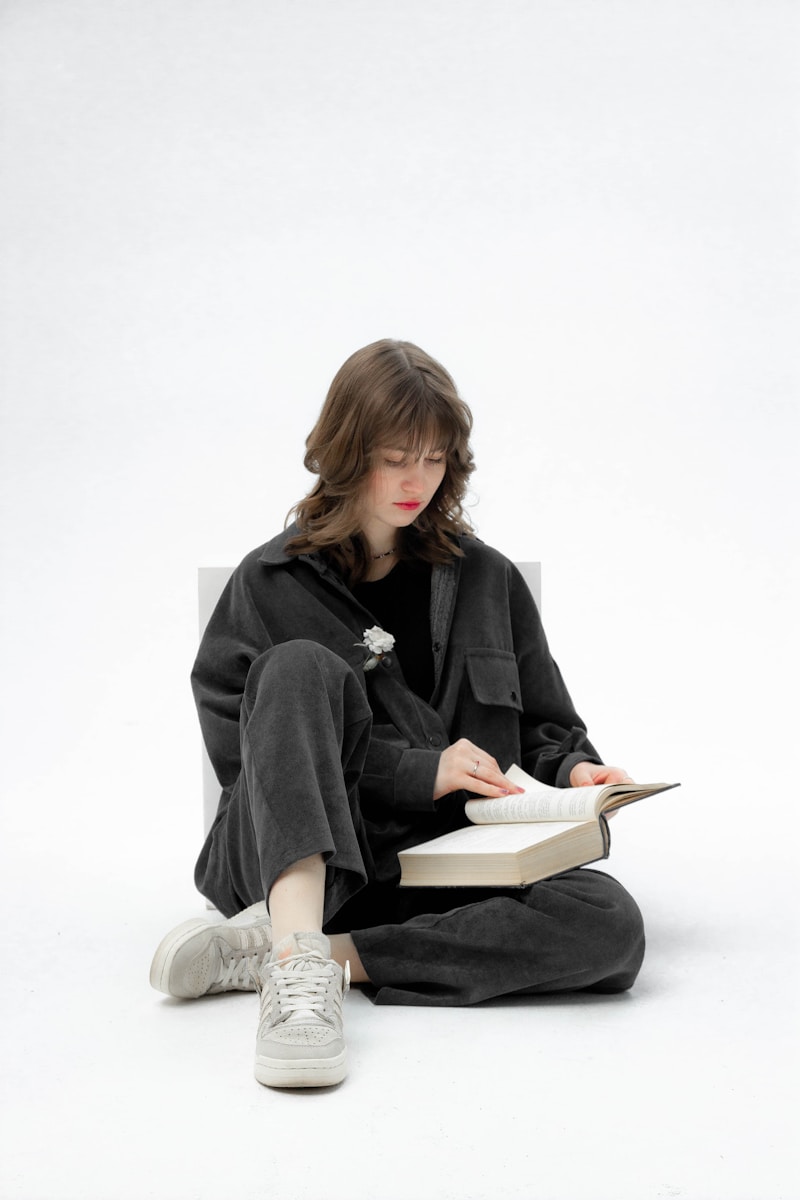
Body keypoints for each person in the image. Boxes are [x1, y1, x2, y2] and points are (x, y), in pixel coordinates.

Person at [149, 338, 645, 1089]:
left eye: (436, 459)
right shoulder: (266, 584)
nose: (419, 481)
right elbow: (250, 766)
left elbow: (545, 724)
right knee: (298, 665)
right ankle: (296, 965)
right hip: (303, 863)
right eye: (395, 458)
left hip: (440, 862)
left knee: (609, 923)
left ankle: (307, 959)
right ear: (347, 453)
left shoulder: (488, 579)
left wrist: (575, 770)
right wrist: (416, 771)